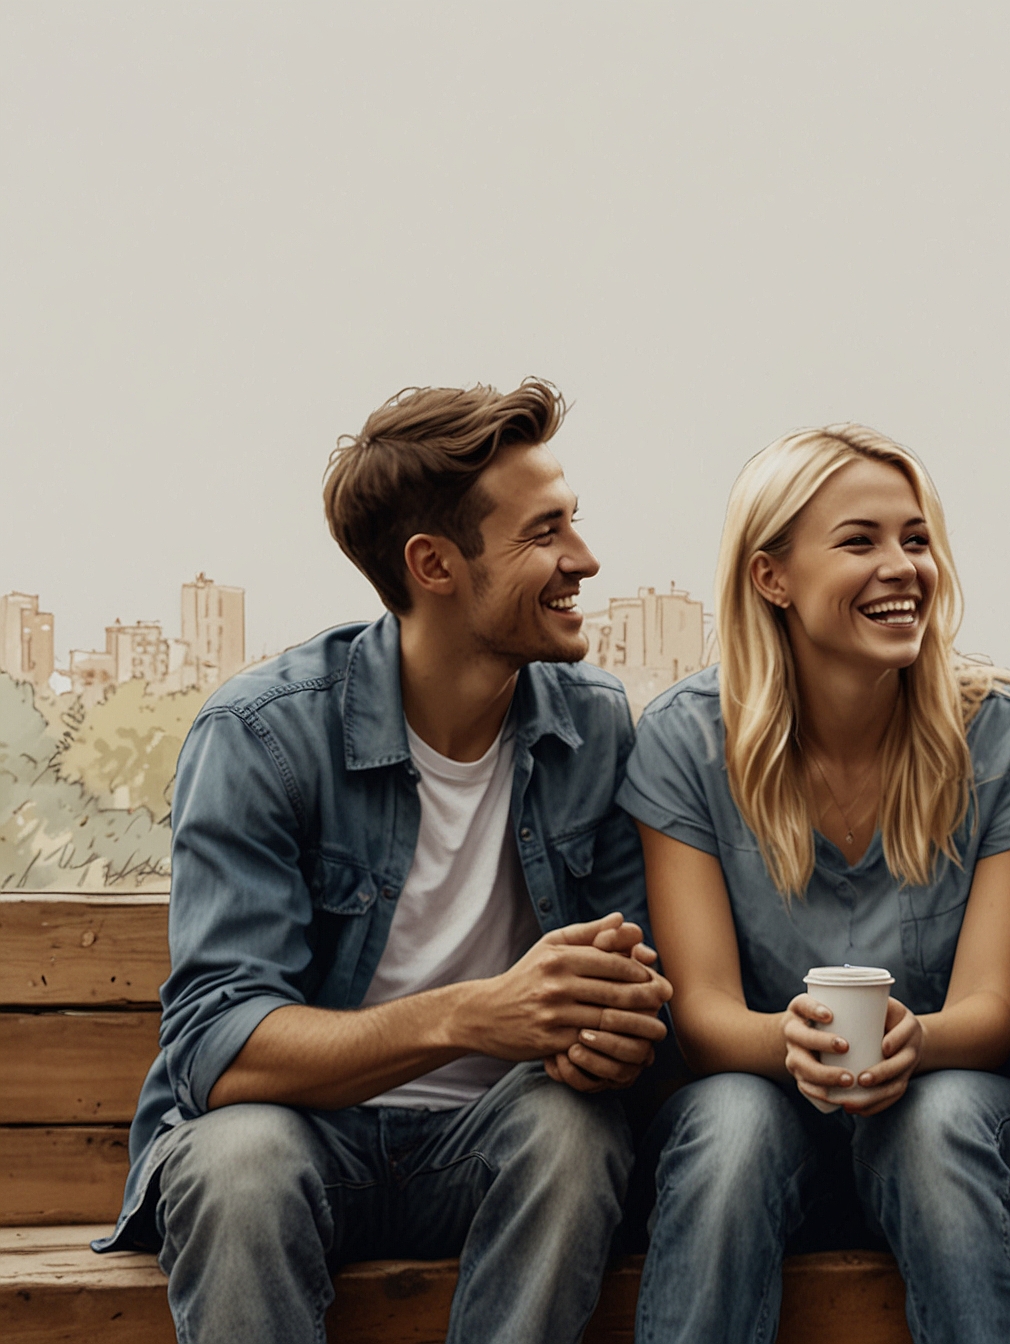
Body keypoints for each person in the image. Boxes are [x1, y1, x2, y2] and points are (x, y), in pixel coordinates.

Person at [94, 379, 673, 1344]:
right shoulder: (263, 735)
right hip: (297, 1137)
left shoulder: (594, 724)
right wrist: (472, 1014)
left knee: (575, 1133)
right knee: (237, 1164)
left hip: (490, 1137)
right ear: (434, 564)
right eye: (544, 534)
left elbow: (630, 991)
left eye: (574, 522)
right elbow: (215, 1049)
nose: (585, 559)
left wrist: (617, 1032)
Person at [620, 424, 1010, 1344]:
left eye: (915, 539)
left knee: (936, 1119)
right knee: (730, 1126)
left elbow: (990, 1014)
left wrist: (913, 1044)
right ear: (771, 578)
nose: (903, 566)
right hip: (764, 1099)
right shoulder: (684, 739)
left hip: (961, 1106)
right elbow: (704, 1016)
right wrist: (794, 1048)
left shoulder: (1008, 736)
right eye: (859, 541)